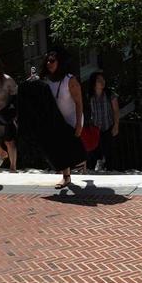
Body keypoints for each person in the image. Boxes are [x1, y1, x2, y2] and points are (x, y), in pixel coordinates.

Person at [42, 50, 84, 188]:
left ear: (59, 62)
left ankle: (72, 171)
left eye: (52, 61)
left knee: (66, 146)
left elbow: (79, 103)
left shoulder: (69, 80)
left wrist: (78, 124)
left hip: (72, 118)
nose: (49, 63)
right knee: (60, 147)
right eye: (47, 61)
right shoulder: (46, 80)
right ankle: (67, 176)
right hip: (57, 119)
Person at [83, 71, 120, 172]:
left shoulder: (109, 94)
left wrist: (116, 125)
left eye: (103, 79)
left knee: (109, 152)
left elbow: (116, 110)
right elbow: (87, 111)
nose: (102, 82)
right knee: (93, 152)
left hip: (108, 127)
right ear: (93, 83)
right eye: (99, 80)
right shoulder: (89, 96)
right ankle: (92, 171)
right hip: (95, 129)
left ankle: (110, 171)